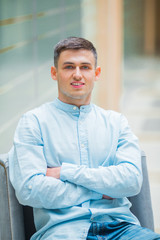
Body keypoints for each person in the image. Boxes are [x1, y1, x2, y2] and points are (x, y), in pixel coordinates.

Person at [9, 37, 160, 240]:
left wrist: (66, 172)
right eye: (69, 67)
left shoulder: (116, 123)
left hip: (122, 229)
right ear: (54, 73)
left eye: (85, 67)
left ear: (96, 73)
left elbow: (131, 181)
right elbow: (30, 190)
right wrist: (102, 191)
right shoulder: (33, 122)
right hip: (63, 232)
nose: (77, 75)